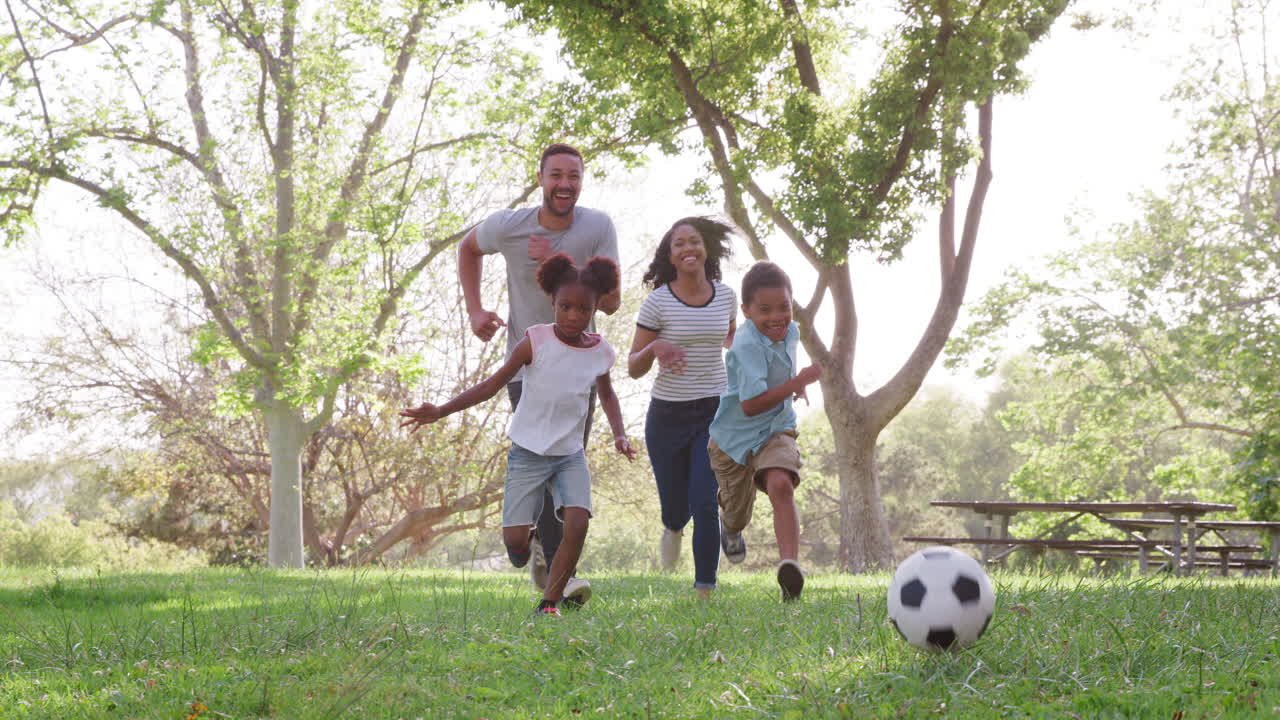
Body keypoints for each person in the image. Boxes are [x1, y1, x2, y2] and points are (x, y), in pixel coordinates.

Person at [401, 254, 635, 617]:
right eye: (566, 306)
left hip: (569, 454)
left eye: (583, 309)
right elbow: (492, 384)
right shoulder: (536, 340)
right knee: (515, 547)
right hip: (528, 452)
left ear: (595, 308)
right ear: (552, 301)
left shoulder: (600, 352)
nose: (574, 315)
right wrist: (442, 410)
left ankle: (549, 604)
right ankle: (529, 541)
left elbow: (607, 395)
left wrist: (620, 434)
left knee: (577, 522)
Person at [456, 143, 620, 605]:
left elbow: (611, 303)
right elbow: (468, 248)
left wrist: (564, 262)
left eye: (573, 176)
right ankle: (546, 560)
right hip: (527, 364)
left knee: (566, 461)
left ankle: (556, 574)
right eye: (556, 175)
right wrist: (475, 310)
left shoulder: (598, 226)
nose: (565, 184)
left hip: (578, 368)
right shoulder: (510, 226)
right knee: (544, 456)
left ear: (581, 181)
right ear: (541, 179)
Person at [627, 217, 737, 599]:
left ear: (706, 249)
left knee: (704, 500)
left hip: (713, 410)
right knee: (676, 506)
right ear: (670, 256)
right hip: (667, 416)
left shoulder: (726, 296)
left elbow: (732, 340)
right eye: (679, 244)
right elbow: (633, 367)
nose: (688, 248)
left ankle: (705, 588)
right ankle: (673, 526)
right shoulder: (658, 302)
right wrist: (655, 348)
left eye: (694, 241)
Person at [707, 261, 821, 602]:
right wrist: (796, 383)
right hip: (733, 440)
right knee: (737, 514)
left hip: (776, 427)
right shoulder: (745, 345)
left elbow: (780, 372)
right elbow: (750, 405)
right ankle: (729, 527)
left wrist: (796, 387)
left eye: (784, 307)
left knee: (781, 484)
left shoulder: (791, 331)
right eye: (765, 310)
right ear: (746, 311)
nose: (777, 317)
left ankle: (790, 568)